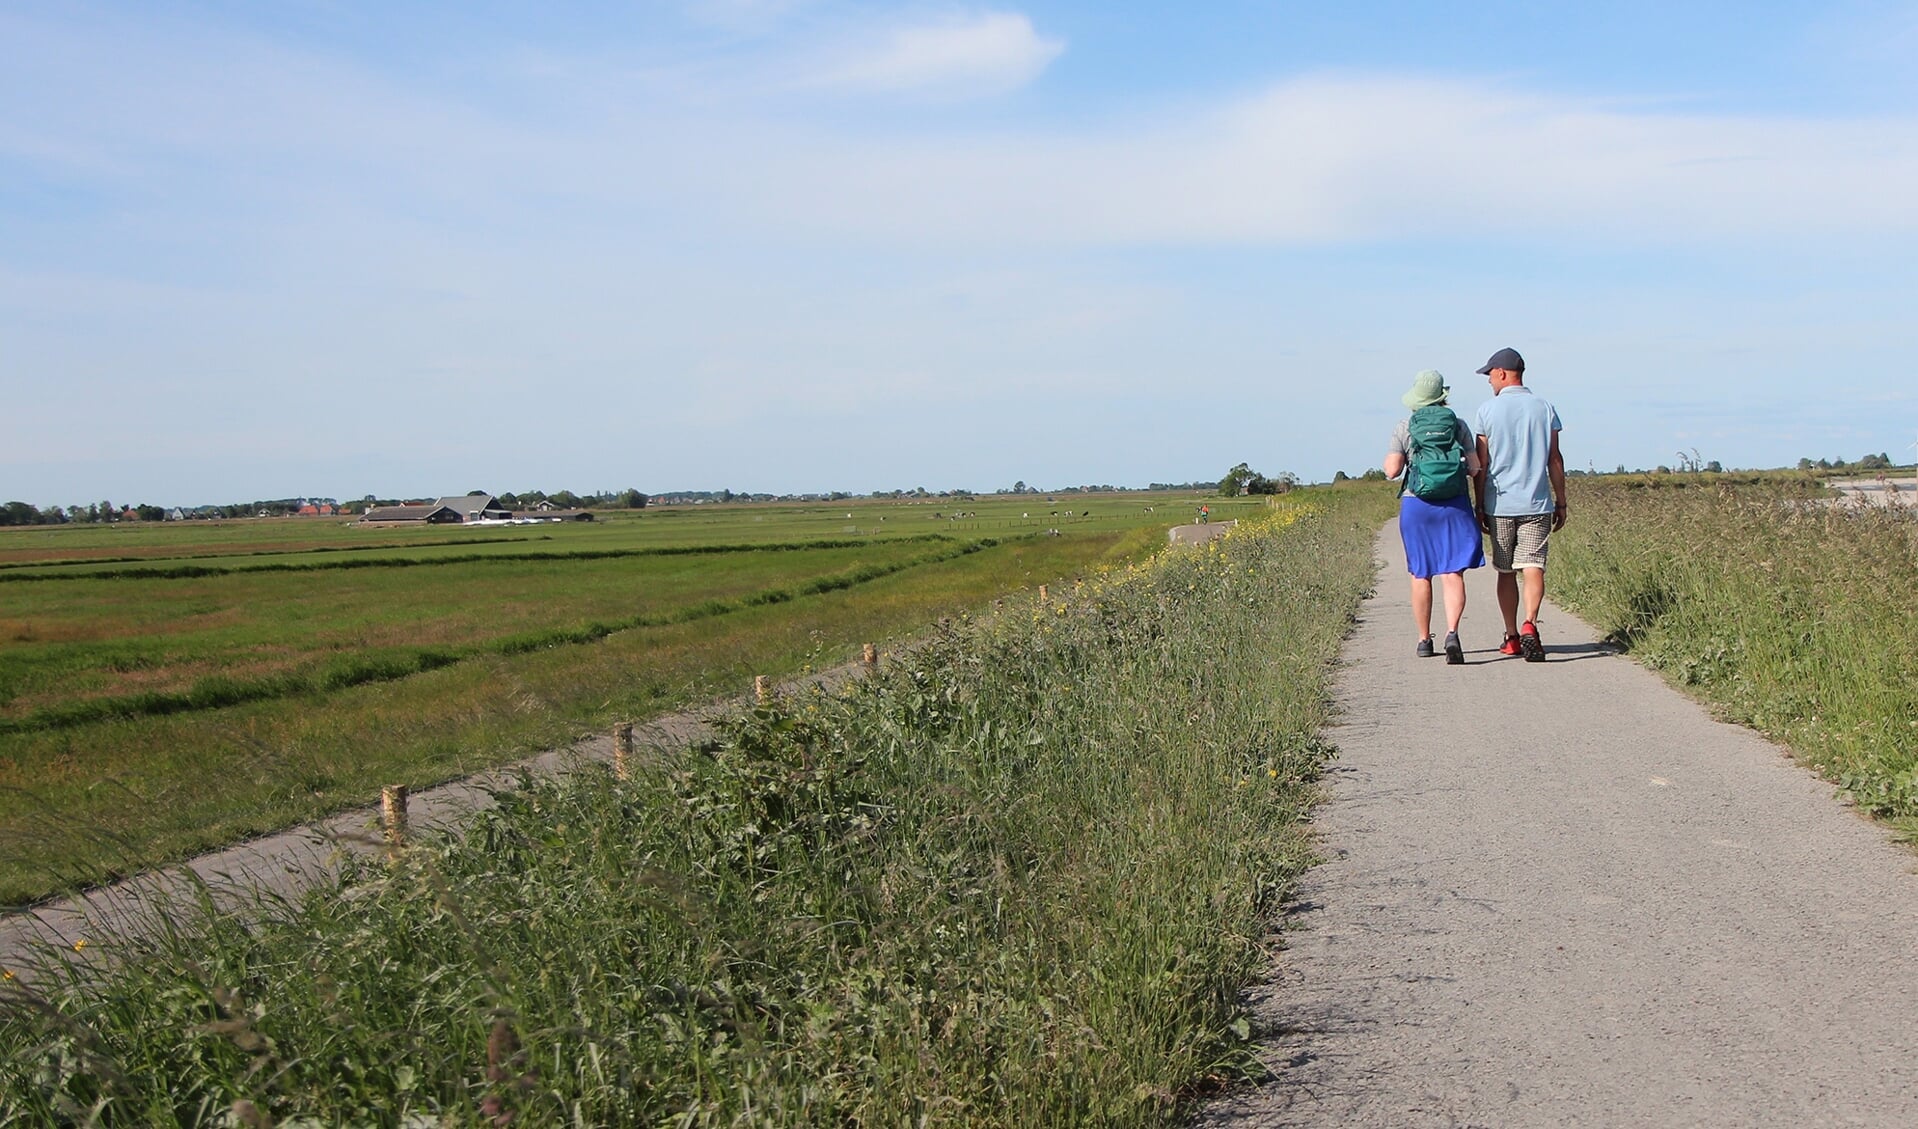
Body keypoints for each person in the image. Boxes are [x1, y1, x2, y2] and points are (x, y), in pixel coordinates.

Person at [1471, 347, 1565, 662]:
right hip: (1537, 502)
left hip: (1500, 504)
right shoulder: (1545, 408)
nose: (1489, 382)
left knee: (1506, 571)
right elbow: (1554, 458)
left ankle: (1511, 636)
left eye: (1489, 375)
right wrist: (1561, 501)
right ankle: (1530, 623)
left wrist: (1479, 503)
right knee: (1534, 565)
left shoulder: (1487, 411)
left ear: (1501, 373)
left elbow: (1481, 463)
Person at [1385, 369, 1484, 663]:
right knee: (1452, 572)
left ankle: (1424, 639)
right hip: (1454, 504)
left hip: (1418, 505)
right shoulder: (1458, 425)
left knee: (1421, 573)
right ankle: (1452, 633)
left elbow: (1391, 471)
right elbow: (1476, 467)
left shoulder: (1405, 426)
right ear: (1443, 396)